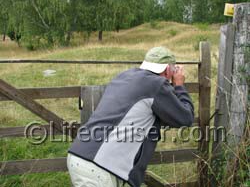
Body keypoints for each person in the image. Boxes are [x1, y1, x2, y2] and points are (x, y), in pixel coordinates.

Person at [67, 47, 194, 187]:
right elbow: (185, 117)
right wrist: (179, 86)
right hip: (101, 167)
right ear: (168, 70)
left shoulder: (125, 75)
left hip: (79, 156)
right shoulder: (156, 84)